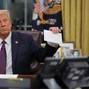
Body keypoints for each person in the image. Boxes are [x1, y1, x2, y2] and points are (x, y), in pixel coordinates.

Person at [0, 10, 60, 74]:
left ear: (10, 22)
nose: (3, 24)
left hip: (18, 81)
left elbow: (42, 57)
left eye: (5, 20)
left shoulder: (25, 40)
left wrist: (53, 40)